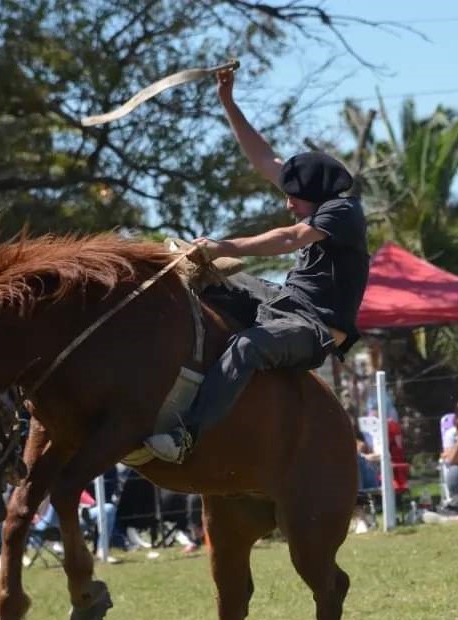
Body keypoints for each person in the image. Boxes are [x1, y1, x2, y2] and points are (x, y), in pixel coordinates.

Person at [145, 66, 369, 463]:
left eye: (293, 198)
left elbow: (289, 239)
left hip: (316, 326)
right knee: (200, 280)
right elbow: (263, 156)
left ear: (316, 194)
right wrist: (227, 102)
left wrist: (222, 245)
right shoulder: (313, 198)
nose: (287, 204)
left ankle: (186, 436)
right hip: (284, 299)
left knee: (248, 347)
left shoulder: (343, 211)